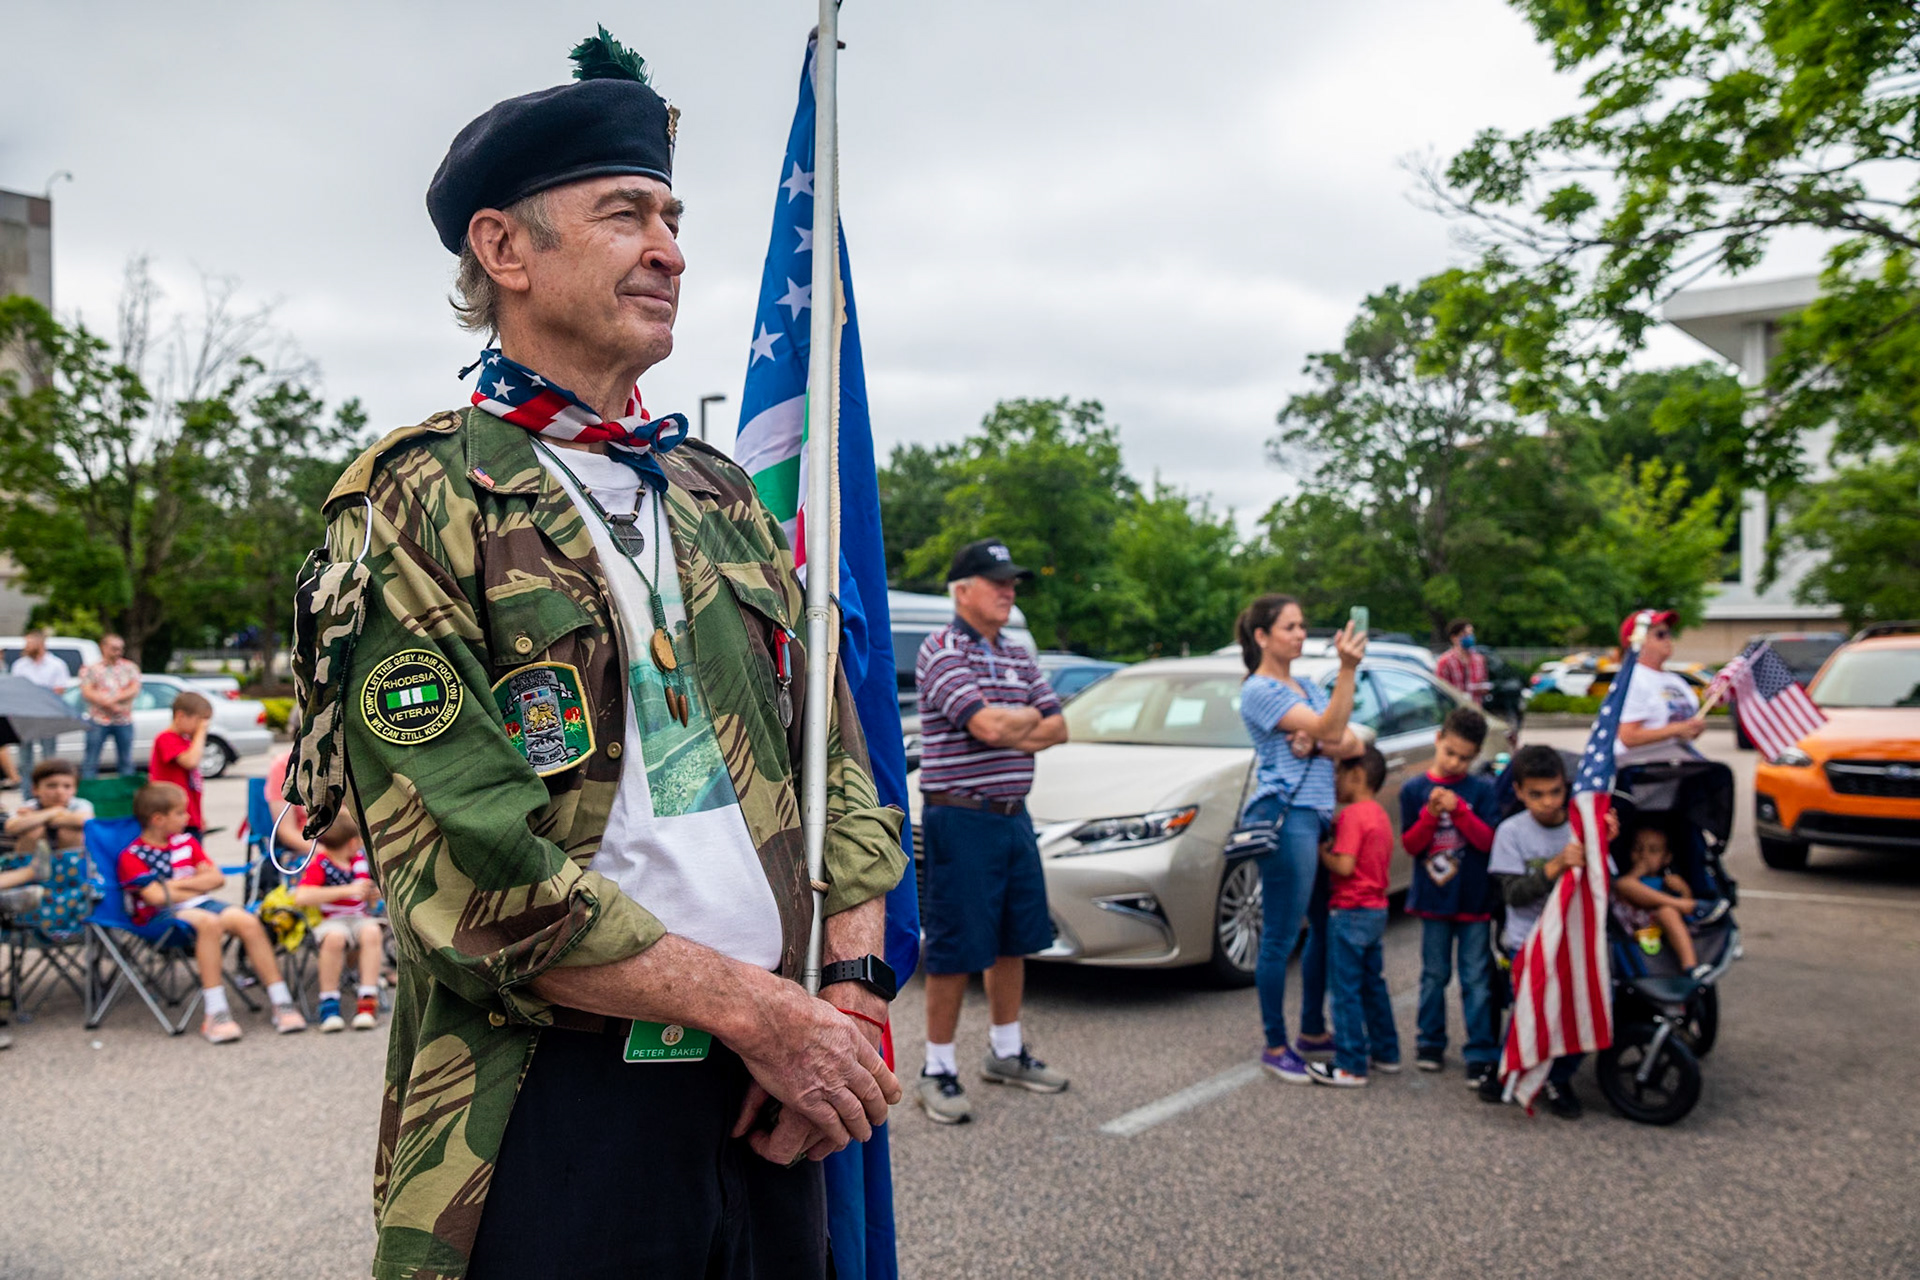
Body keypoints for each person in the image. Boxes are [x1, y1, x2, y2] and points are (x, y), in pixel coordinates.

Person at [280, 30, 907, 1277]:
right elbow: (474, 875)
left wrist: (852, 988)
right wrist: (762, 1009)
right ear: (503, 248)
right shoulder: (423, 499)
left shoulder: (716, 491)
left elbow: (833, 759)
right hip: (555, 1101)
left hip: (770, 1088)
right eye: (626, 212)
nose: (670, 247)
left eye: (674, 216)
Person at [913, 538, 1070, 1125]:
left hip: (1012, 816)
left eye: (1012, 582)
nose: (1009, 591)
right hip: (961, 817)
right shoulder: (942, 649)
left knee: (1013, 937)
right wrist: (1020, 721)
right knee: (955, 947)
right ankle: (938, 1067)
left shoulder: (1018, 653)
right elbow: (982, 724)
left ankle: (1006, 1053)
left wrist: (1017, 724)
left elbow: (1059, 729)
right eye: (996, 581)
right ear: (962, 590)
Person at [1234, 594, 1367, 1082]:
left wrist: (1322, 738)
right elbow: (1333, 727)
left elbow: (1352, 740)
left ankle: (1312, 1030)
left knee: (1324, 929)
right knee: (1281, 937)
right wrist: (1347, 671)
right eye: (1289, 626)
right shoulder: (1260, 690)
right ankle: (1274, 1045)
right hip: (1289, 817)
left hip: (1317, 816)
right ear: (1262, 637)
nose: (1299, 633)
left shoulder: (1307, 686)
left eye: (1301, 625)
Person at [117, 781, 307, 1043]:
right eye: (181, 813)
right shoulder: (132, 855)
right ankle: (215, 1012)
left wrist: (172, 884)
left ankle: (281, 1001)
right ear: (158, 819)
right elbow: (155, 897)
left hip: (199, 904)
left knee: (247, 920)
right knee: (208, 923)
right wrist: (193, 884)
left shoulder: (187, 843)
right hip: (158, 916)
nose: (189, 818)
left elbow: (216, 880)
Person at [1483, 745, 1615, 1119]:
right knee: (1529, 1010)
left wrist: (1605, 843)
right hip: (1527, 943)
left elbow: (1608, 884)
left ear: (1566, 788)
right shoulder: (1511, 833)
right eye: (1536, 794)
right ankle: (1511, 1066)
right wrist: (1555, 866)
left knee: (1583, 1009)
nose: (1547, 802)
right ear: (1520, 792)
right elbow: (1512, 894)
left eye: (1555, 792)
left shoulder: (1580, 828)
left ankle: (1559, 1076)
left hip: (1574, 943)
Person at [1398, 705, 1502, 1086]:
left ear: (1476, 756)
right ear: (1438, 740)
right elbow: (1411, 845)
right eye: (1450, 753)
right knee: (1433, 975)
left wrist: (1459, 812)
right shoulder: (1413, 789)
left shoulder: (1482, 790)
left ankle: (1480, 1050)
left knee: (1476, 978)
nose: (1456, 762)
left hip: (1473, 902)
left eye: (1465, 757)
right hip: (1433, 900)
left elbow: (1489, 842)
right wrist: (1429, 815)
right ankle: (1429, 1043)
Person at [1307, 746, 1399, 1088]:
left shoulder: (1351, 816)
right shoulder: (1378, 814)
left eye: (1339, 775)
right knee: (1373, 984)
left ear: (1357, 775)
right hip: (1376, 909)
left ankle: (1350, 1064)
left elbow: (1344, 865)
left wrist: (1322, 853)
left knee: (1344, 990)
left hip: (1349, 911)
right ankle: (1387, 1052)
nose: (1335, 782)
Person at [293, 812, 385, 1032]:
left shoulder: (360, 861)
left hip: (358, 918)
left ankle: (367, 998)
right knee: (334, 938)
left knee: (372, 931)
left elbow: (373, 892)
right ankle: (329, 1002)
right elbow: (302, 897)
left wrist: (373, 894)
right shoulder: (321, 863)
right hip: (331, 920)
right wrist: (347, 890)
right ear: (353, 842)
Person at [1611, 825, 1728, 978]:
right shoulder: (1628, 880)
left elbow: (1685, 917)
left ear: (1666, 857)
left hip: (1664, 927)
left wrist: (1684, 890)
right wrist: (1637, 872)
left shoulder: (1668, 882)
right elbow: (1624, 886)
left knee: (1668, 912)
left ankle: (1691, 967)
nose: (1644, 855)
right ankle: (1693, 907)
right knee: (1623, 885)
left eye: (1653, 851)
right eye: (1638, 849)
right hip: (1632, 928)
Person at [0, 759, 97, 937]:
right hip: (33, 882)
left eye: (67, 786)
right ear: (35, 789)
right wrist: (52, 812)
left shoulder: (80, 804)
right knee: (33, 831)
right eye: (51, 786)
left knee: (71, 831)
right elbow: (11, 826)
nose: (60, 791)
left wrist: (38, 817)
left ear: (74, 789)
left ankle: (36, 872)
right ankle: (32, 873)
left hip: (73, 876)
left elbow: (83, 820)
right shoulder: (29, 805)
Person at [1616, 608, 1707, 765]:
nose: (1668, 639)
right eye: (1660, 635)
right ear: (1637, 641)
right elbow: (1628, 737)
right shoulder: (1634, 679)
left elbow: (1685, 730)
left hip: (1675, 762)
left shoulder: (1675, 680)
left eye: (1669, 633)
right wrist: (1677, 729)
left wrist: (1694, 729)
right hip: (1641, 769)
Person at [11, 631, 71, 790]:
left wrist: (36, 696)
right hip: (25, 717)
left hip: (47, 717)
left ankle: (49, 791)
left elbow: (59, 689)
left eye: (29, 643)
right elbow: (17, 689)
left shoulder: (56, 664)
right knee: (25, 760)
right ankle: (28, 795)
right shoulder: (20, 665)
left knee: (49, 758)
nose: (26, 647)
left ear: (40, 644)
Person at [149, 689, 213, 837]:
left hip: (189, 817)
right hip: (172, 819)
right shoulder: (165, 738)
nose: (202, 727)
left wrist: (198, 817)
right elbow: (190, 761)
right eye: (199, 721)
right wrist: (201, 732)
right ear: (180, 716)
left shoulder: (185, 742)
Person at [78, 634, 140, 779]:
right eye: (114, 648)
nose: (117, 652)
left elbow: (134, 688)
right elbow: (87, 690)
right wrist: (107, 703)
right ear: (103, 647)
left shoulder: (130, 667)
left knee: (126, 760)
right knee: (91, 760)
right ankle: (89, 791)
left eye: (120, 649)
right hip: (98, 720)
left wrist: (115, 699)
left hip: (123, 720)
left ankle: (126, 793)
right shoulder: (91, 669)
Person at [1435, 618, 1492, 706]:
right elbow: (1440, 690)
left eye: (1471, 634)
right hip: (1456, 710)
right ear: (1454, 638)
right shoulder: (1445, 661)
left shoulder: (1479, 660)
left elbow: (1483, 682)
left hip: (1475, 709)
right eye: (1466, 634)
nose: (1470, 637)